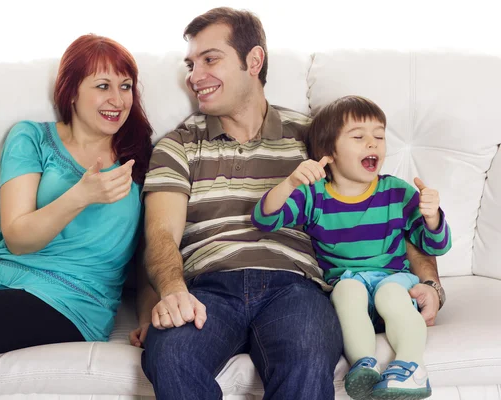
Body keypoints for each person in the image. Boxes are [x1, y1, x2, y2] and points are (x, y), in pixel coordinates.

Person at [129, 7, 443, 400]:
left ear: (254, 60)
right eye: (190, 64)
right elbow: (159, 234)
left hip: (296, 287)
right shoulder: (177, 145)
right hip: (206, 288)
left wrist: (430, 284)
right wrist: (173, 290)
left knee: (307, 357)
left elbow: (384, 206)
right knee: (170, 356)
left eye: (210, 59)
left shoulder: (314, 137)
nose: (194, 76)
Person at [0, 34, 153, 400]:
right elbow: (18, 238)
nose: (118, 100)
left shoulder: (142, 159)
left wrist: (148, 318)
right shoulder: (32, 137)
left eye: (126, 86)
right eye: (103, 86)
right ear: (70, 92)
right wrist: (80, 196)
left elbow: (149, 256)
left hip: (71, 300)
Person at [251, 95, 451, 400]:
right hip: (348, 289)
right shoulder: (315, 196)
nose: (372, 144)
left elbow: (435, 244)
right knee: (346, 291)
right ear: (329, 151)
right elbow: (265, 219)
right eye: (358, 137)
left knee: (391, 294)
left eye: (379, 136)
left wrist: (432, 216)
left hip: (392, 280)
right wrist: (290, 183)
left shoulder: (398, 193)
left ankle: (411, 366)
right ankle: (363, 364)